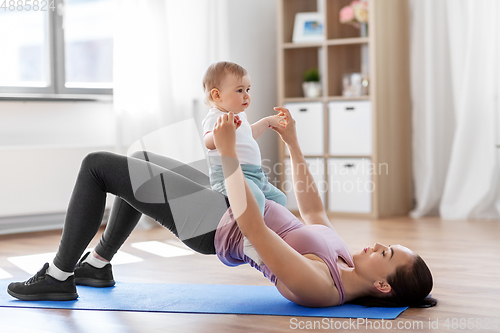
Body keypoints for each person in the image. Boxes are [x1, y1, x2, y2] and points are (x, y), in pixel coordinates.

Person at [7, 107, 436, 309]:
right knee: (140, 166)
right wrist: (293, 143)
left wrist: (229, 152)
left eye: (386, 253)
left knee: (97, 166)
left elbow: (255, 228)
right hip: (229, 206)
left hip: (216, 225)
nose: (378, 245)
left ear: (384, 287)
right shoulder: (342, 259)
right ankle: (99, 263)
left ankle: (59, 276)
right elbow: (316, 212)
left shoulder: (321, 286)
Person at [202, 61, 287, 265]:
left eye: (248, 89)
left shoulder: (240, 116)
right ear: (217, 95)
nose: (246, 95)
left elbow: (249, 135)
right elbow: (208, 142)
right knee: (255, 197)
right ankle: (250, 241)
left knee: (280, 199)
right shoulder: (217, 118)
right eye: (240, 90)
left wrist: (266, 122)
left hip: (255, 175)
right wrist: (222, 132)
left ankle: (274, 236)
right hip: (229, 176)